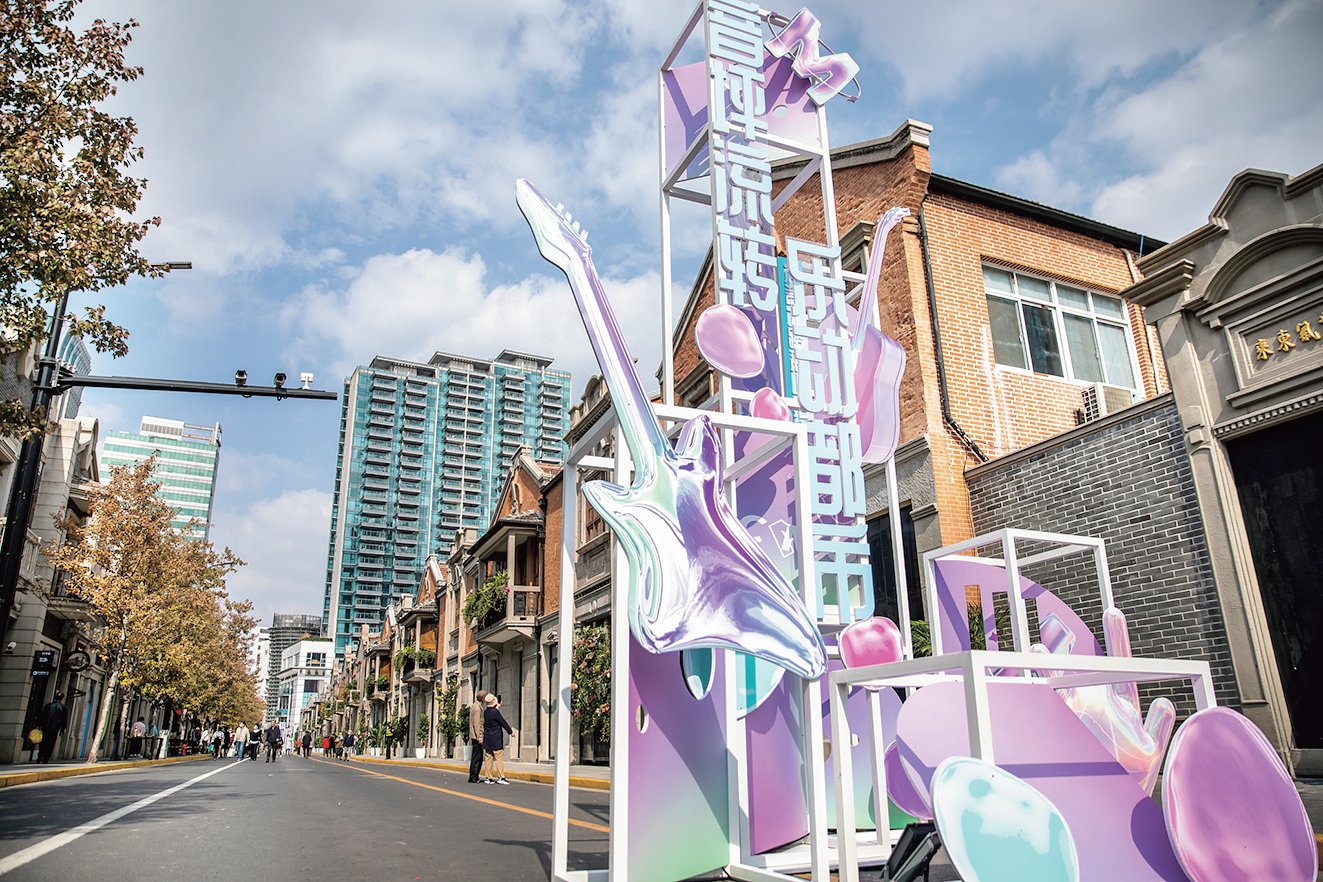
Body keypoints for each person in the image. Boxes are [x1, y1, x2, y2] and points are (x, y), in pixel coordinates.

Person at [482, 693, 513, 785]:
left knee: (488, 757)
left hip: (488, 738)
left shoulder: (486, 712)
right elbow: (502, 721)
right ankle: (501, 777)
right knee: (499, 757)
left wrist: (497, 707)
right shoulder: (495, 712)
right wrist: (510, 731)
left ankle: (488, 777)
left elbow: (492, 715)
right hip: (496, 738)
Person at [36, 691, 67, 764]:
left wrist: (38, 725)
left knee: (44, 742)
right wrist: (63, 728)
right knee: (51, 743)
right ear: (62, 699)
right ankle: (45, 758)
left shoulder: (48, 706)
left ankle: (40, 755)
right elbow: (64, 719)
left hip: (46, 727)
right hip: (55, 728)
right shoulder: (63, 708)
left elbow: (42, 716)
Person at [467, 689, 488, 783]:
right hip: (476, 737)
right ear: (482, 699)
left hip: (476, 736)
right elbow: (477, 724)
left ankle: (474, 776)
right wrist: (480, 738)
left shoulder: (476, 706)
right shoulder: (477, 708)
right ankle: (473, 777)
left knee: (477, 757)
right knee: (477, 758)